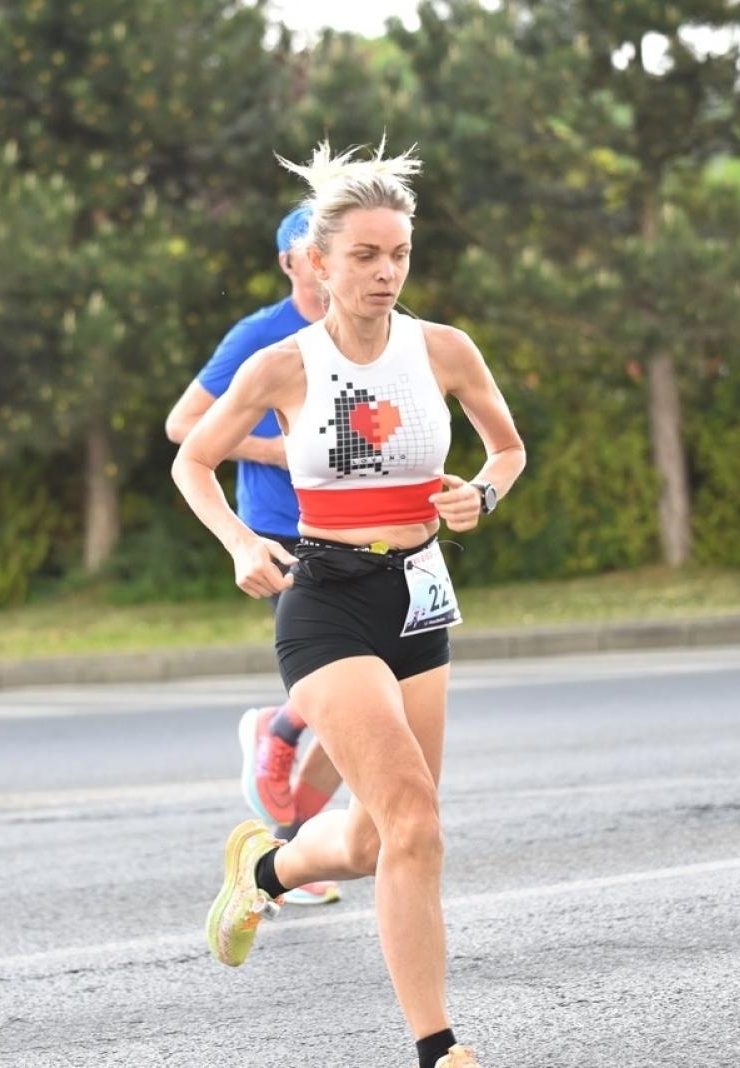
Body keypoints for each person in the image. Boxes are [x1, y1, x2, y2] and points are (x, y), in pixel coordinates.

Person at [173, 140, 525, 1068]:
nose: (385, 272)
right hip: (326, 602)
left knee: (376, 841)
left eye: (398, 254)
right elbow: (191, 457)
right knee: (417, 821)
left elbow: (508, 451)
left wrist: (480, 496)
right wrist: (244, 543)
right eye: (365, 255)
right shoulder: (282, 365)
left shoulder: (443, 349)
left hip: (419, 598)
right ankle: (439, 1047)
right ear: (318, 263)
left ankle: (264, 868)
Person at [166, 205, 345, 906]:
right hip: (281, 527)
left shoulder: (360, 329)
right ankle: (283, 732)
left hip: (358, 526)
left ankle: (288, 838)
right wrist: (271, 449)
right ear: (292, 263)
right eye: (314, 248)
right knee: (341, 686)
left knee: (375, 692)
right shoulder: (261, 336)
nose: (328, 259)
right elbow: (183, 425)